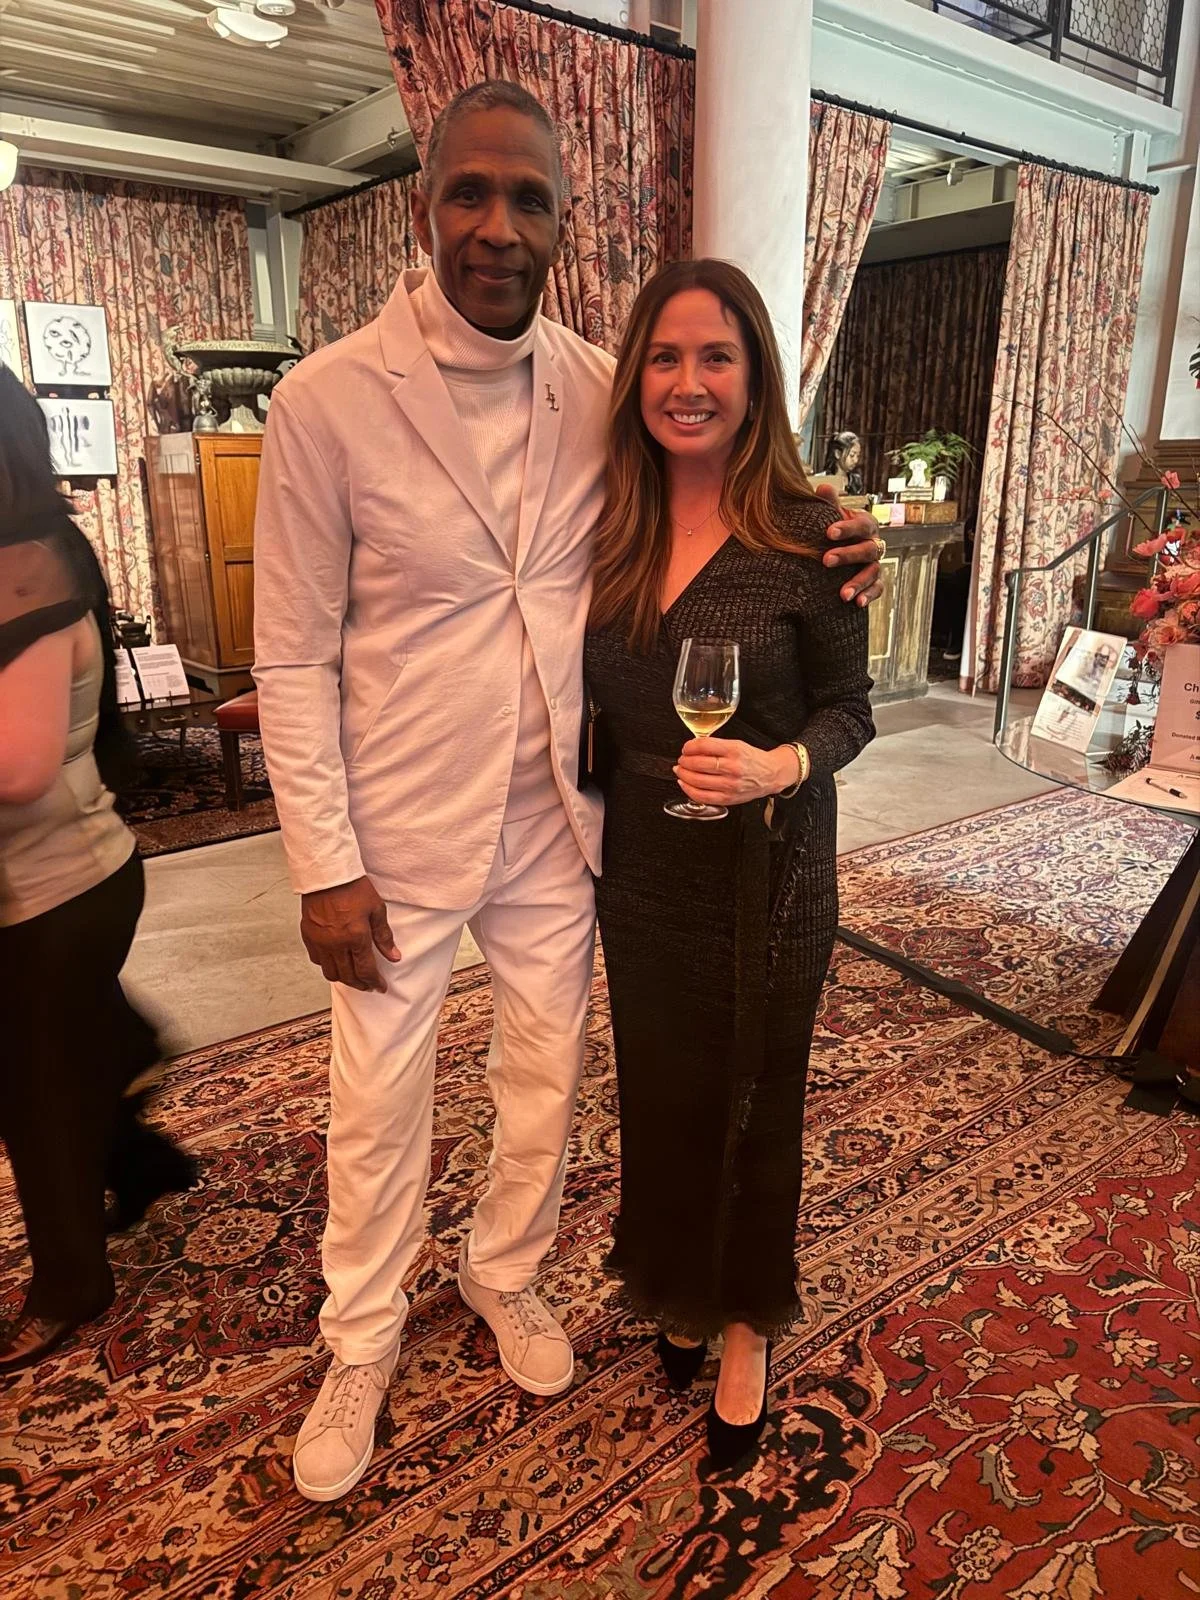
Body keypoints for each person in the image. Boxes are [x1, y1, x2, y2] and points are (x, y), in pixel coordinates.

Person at [252, 80, 885, 1503]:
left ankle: (507, 1273)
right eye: (470, 194)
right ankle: (361, 1336)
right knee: (380, 1096)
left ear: (559, 221)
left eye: (527, 199)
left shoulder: (602, 386)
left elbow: (739, 493)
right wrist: (319, 862)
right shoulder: (329, 400)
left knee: (544, 1076)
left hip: (561, 816)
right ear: (427, 205)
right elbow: (287, 655)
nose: (496, 226)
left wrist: (845, 540)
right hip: (397, 826)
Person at [585, 260, 875, 1470]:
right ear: (634, 377)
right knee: (660, 1092)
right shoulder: (608, 519)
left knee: (758, 1098)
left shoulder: (816, 535)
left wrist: (777, 770)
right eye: (664, 356)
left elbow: (853, 710)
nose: (688, 382)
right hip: (642, 868)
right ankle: (674, 1282)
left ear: (755, 376)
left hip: (771, 869)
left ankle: (749, 1315)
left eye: (716, 356)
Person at [0, 367, 195, 1373]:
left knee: (31, 1094)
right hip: (67, 878)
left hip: (55, 885)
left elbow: (23, 766)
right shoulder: (29, 550)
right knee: (55, 1056)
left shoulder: (26, 563)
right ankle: (143, 1149)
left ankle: (71, 1283)